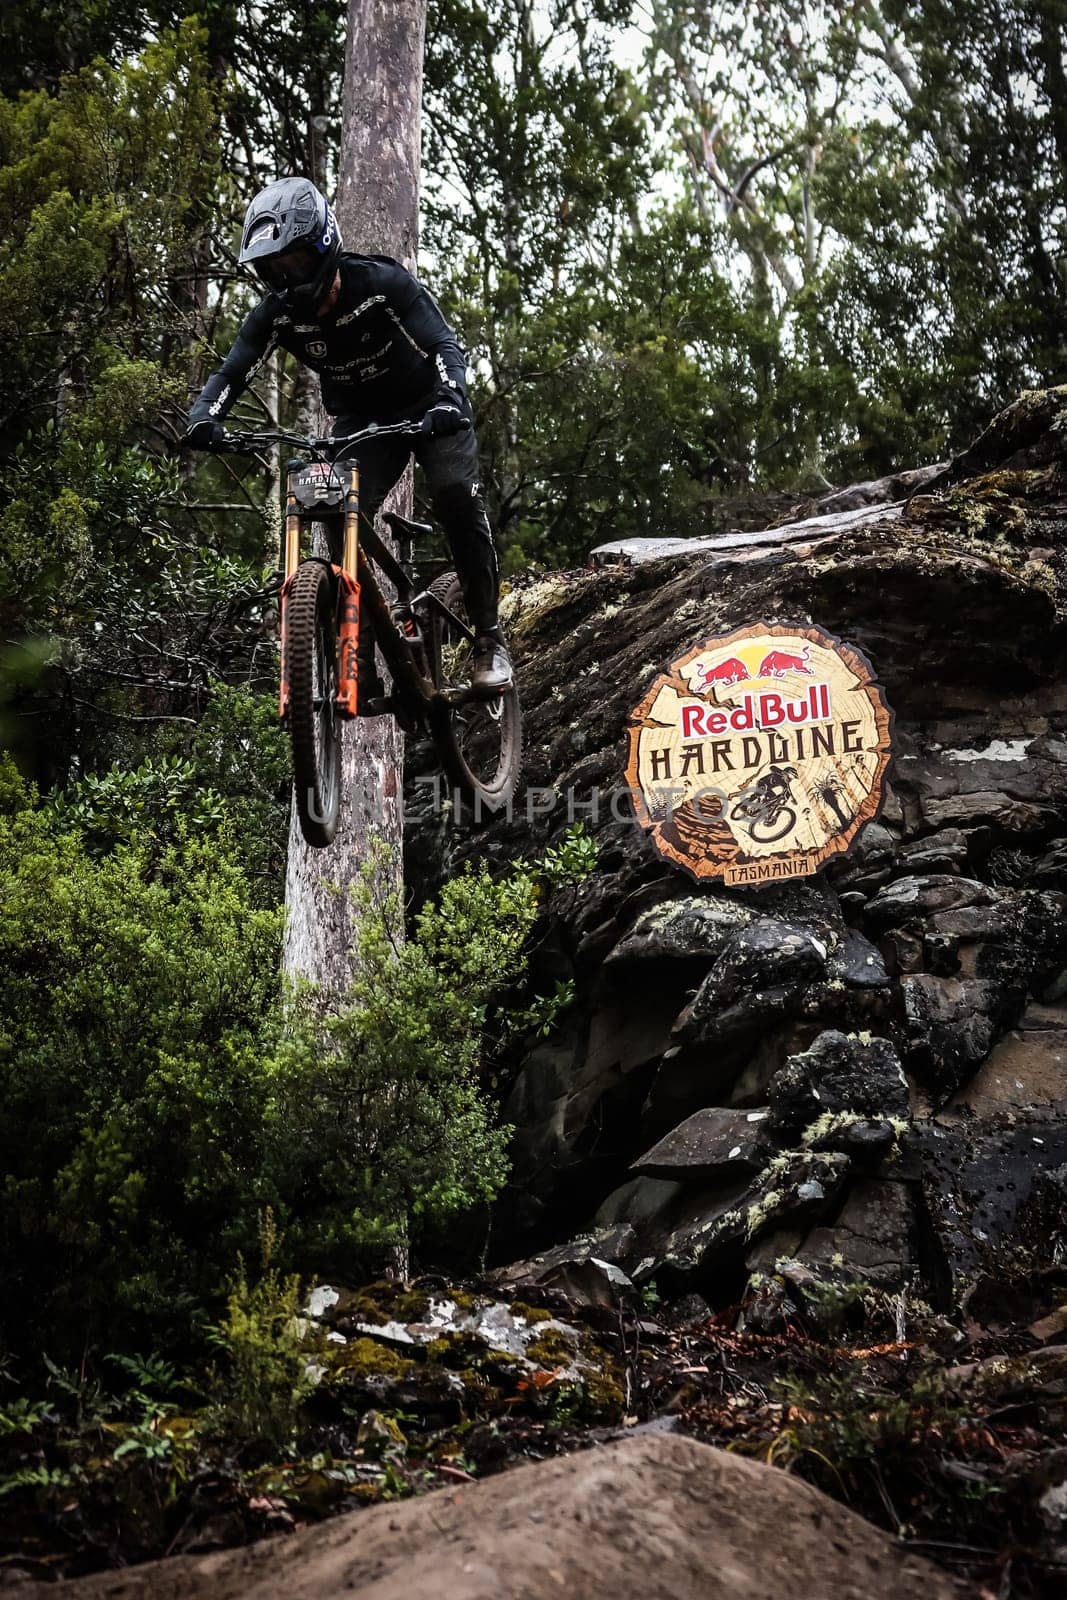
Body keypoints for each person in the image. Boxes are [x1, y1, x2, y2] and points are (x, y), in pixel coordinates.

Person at [183, 175, 512, 699]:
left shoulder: (383, 284)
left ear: (324, 246)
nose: (286, 279)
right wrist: (205, 415)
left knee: (454, 495)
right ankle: (363, 651)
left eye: (294, 262)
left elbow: (443, 344)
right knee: (334, 512)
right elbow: (233, 371)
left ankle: (489, 638)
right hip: (361, 419)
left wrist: (452, 400)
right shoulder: (277, 315)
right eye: (272, 270)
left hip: (429, 406)